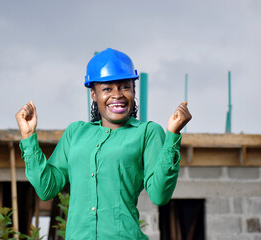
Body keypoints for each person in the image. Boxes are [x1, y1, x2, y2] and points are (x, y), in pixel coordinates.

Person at [16, 48, 192, 240]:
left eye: (125, 86)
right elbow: (46, 189)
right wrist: (28, 136)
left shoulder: (147, 133)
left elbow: (160, 195)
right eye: (107, 89)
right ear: (93, 94)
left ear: (134, 90)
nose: (117, 95)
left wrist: (173, 135)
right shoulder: (76, 133)